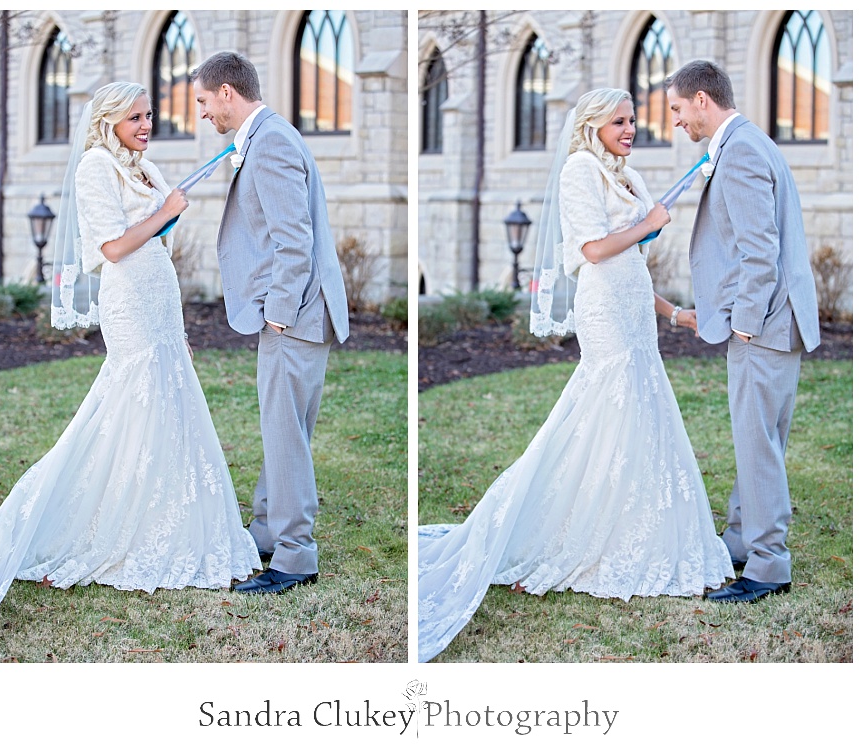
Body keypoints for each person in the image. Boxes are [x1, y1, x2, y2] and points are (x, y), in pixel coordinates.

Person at [418, 88, 734, 662]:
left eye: (635, 120)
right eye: (620, 121)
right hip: (604, 310)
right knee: (606, 408)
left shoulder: (624, 175)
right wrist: (652, 222)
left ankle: (637, 525)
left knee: (641, 410)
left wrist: (674, 311)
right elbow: (593, 249)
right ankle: (576, 534)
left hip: (637, 308)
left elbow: (632, 259)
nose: (631, 129)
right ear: (592, 125)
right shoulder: (579, 171)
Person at [0, 82, 261, 639]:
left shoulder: (141, 166)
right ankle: (105, 523)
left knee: (168, 401)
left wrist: (168, 213)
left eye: (149, 115)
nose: (146, 125)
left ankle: (166, 515)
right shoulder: (95, 168)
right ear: (108, 121)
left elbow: (156, 233)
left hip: (160, 295)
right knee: (130, 402)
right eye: (135, 118)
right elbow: (110, 247)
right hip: (128, 299)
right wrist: (167, 212)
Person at [190, 52, 349, 595]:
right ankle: (264, 531)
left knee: (287, 436)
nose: (203, 113)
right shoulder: (265, 138)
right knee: (286, 433)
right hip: (299, 315)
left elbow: (293, 239)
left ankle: (295, 556)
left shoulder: (273, 141)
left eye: (205, 102)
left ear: (228, 93)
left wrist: (278, 315)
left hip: (294, 316)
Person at [665, 61, 820, 603]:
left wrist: (746, 325)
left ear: (703, 100)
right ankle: (738, 540)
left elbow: (761, 252)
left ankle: (768, 565)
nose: (677, 122)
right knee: (760, 441)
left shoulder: (742, 152)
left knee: (758, 446)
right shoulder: (750, 142)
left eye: (679, 109)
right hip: (782, 321)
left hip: (765, 325)